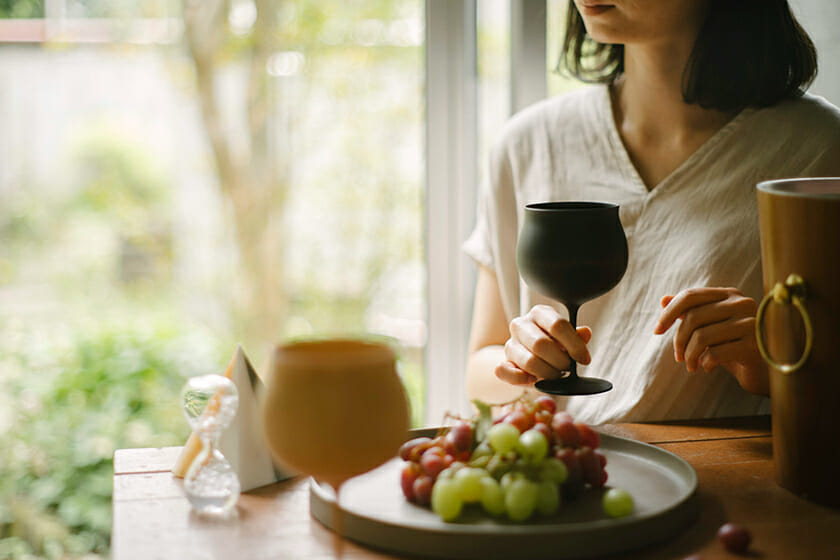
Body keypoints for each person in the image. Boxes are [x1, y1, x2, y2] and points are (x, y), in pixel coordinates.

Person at [462, 0, 840, 424]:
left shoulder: (821, 152)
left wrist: (769, 364)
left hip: (722, 484)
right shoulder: (526, 146)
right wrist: (522, 366)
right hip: (563, 476)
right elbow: (480, 367)